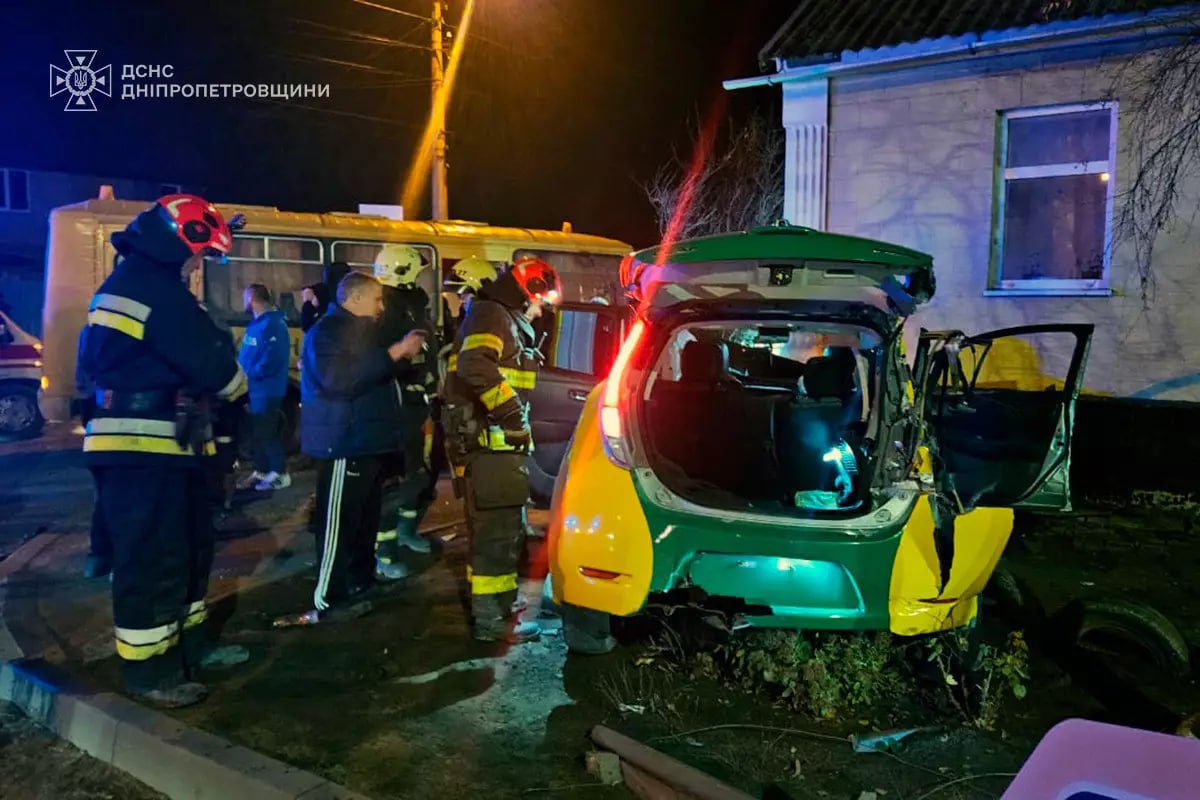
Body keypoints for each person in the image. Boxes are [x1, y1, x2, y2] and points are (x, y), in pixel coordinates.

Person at [78, 193, 250, 708]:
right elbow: (216, 368)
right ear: (186, 238)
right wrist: (237, 389)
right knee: (152, 558)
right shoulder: (156, 292)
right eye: (200, 254)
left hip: (155, 445)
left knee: (187, 548)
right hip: (144, 445)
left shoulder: (137, 283)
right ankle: (150, 671)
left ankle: (188, 648)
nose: (199, 266)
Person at [442, 256, 562, 643]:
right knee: (498, 536)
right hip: (491, 449)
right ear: (531, 289)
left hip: (496, 450)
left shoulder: (501, 318)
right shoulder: (494, 315)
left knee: (497, 534)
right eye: (542, 300)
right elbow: (476, 365)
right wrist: (512, 416)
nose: (543, 309)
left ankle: (495, 611)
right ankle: (494, 622)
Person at [297, 271, 426, 620]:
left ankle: (360, 582)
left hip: (366, 444)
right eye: (376, 299)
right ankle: (329, 599)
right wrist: (396, 352)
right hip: (344, 445)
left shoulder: (357, 332)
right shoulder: (327, 332)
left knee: (363, 522)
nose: (381, 307)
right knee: (338, 526)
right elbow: (341, 380)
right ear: (354, 299)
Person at [372, 245, 440, 577]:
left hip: (418, 405)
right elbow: (382, 359)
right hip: (395, 408)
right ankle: (382, 551)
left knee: (418, 473)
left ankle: (406, 530)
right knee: (393, 480)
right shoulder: (383, 309)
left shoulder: (414, 305)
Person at [236, 284, 292, 491]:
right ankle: (261, 470)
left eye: (244, 297)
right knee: (258, 433)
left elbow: (271, 360)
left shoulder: (274, 324)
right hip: (254, 390)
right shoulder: (258, 324)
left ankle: (280, 473)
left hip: (267, 390)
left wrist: (249, 375)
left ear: (251, 298)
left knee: (267, 432)